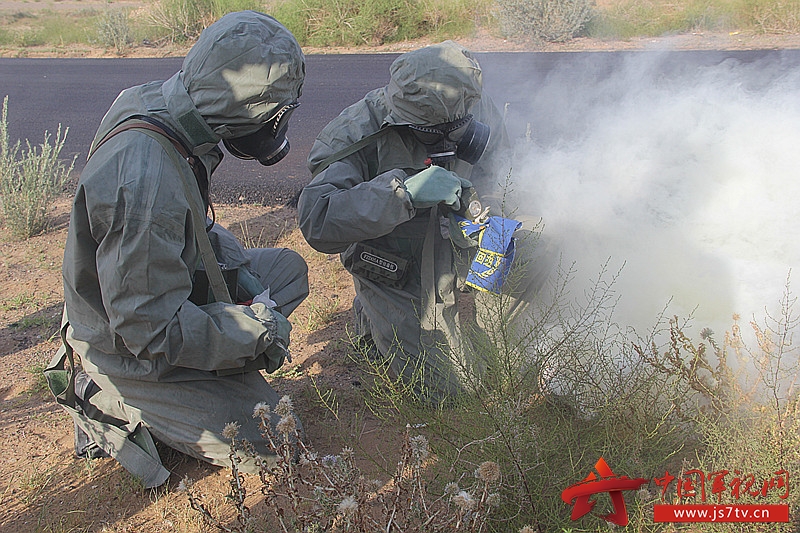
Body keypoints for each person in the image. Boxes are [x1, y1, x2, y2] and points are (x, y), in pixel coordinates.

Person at [45, 11, 308, 488]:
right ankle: (102, 393)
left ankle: (213, 373)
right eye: (275, 114)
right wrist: (251, 333)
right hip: (125, 345)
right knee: (279, 438)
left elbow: (191, 222)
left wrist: (237, 276)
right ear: (250, 110)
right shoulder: (144, 178)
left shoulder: (170, 105)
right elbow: (146, 327)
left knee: (285, 271)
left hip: (160, 289)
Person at [297, 41, 518, 405]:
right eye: (431, 133)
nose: (446, 141)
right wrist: (401, 196)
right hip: (396, 260)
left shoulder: (473, 103)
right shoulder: (356, 132)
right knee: (446, 396)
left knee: (511, 363)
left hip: (462, 243)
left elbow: (505, 171)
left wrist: (486, 208)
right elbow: (317, 220)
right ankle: (373, 318)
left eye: (456, 130)